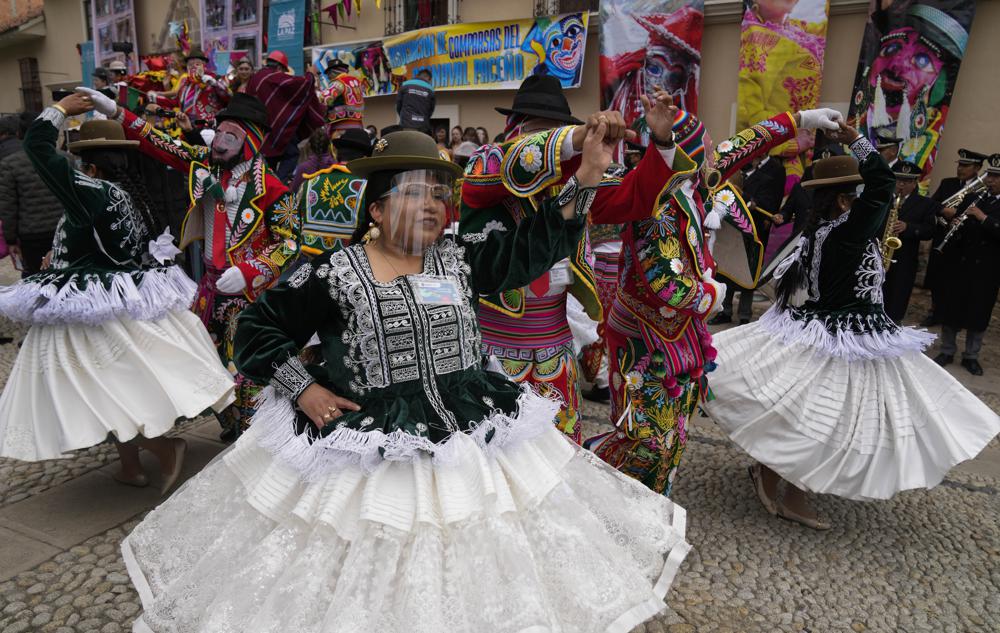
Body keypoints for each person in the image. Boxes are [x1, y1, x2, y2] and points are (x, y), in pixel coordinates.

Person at [120, 127, 692, 633]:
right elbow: (257, 329)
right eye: (415, 193)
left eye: (440, 196)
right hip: (374, 445)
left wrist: (588, 174)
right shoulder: (332, 272)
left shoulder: (460, 258)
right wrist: (306, 388)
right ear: (376, 209)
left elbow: (532, 249)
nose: (433, 207)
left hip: (472, 432)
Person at [701, 124, 1000, 528]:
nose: (865, 201)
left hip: (840, 333)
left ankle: (772, 473)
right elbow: (883, 183)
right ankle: (789, 485)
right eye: (856, 195)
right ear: (845, 198)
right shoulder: (846, 231)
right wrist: (856, 140)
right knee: (825, 420)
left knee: (803, 413)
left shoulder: (819, 233)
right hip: (845, 337)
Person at [585, 101, 843, 498]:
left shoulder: (692, 181)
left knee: (673, 435)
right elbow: (665, 281)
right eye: (705, 148)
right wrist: (712, 294)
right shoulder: (658, 203)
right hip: (644, 340)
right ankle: (595, 475)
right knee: (647, 437)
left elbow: (741, 146)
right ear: (687, 156)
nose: (714, 154)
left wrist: (798, 121)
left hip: (680, 336)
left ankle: (653, 505)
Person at [0, 95, 234, 492]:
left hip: (91, 310)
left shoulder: (88, 190)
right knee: (116, 384)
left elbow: (36, 146)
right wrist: (62, 259)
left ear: (87, 162)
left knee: (95, 389)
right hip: (118, 300)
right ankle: (131, 466)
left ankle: (163, 449)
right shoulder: (128, 195)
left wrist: (58, 111)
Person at [80, 87, 302, 438]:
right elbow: (160, 143)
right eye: (220, 130)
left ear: (252, 140)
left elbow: (290, 242)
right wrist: (117, 111)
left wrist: (249, 271)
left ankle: (252, 432)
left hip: (246, 294)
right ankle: (230, 422)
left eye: (231, 134)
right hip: (209, 286)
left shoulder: (272, 188)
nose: (218, 141)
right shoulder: (207, 163)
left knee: (243, 362)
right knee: (202, 358)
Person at [933, 153, 1000, 376]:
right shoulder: (975, 197)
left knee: (978, 313)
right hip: (961, 263)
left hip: (987, 268)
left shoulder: (982, 207)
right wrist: (955, 224)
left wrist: (983, 219)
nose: (990, 180)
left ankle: (971, 356)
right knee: (952, 308)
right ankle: (947, 350)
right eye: (990, 175)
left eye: (995, 177)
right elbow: (956, 221)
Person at [710, 154, 786, 325]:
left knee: (749, 270)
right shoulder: (738, 172)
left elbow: (770, 202)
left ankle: (745, 314)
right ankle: (725, 310)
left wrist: (748, 199)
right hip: (732, 230)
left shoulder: (772, 173)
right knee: (727, 270)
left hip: (755, 229)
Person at [922, 148, 987, 326]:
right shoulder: (947, 183)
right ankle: (934, 311)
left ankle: (949, 313)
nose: (960, 169)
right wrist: (943, 210)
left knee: (955, 279)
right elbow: (932, 204)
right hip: (943, 234)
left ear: (977, 168)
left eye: (966, 166)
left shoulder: (983, 188)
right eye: (960, 165)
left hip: (964, 241)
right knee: (937, 275)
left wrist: (957, 213)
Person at [246, 50, 326, 183]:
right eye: (283, 71)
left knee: (268, 162)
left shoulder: (255, 78)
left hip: (259, 130)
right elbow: (299, 84)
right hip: (277, 129)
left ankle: (267, 186)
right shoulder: (272, 77)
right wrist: (310, 75)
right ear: (279, 67)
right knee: (291, 154)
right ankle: (279, 184)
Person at [0, 115, 65, 276]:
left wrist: (10, 240)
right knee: (64, 275)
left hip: (31, 234)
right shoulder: (66, 158)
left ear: (20, 135)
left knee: (36, 277)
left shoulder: (9, 164)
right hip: (64, 229)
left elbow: (8, 207)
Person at [295, 127, 372, 256]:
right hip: (349, 261)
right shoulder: (367, 187)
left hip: (308, 259)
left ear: (337, 153)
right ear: (364, 157)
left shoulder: (310, 183)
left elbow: (294, 221)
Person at [881, 160, 939, 323]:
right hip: (879, 256)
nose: (901, 185)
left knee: (897, 300)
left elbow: (929, 231)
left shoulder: (925, 204)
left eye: (906, 182)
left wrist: (909, 227)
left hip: (904, 261)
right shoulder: (883, 199)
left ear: (914, 183)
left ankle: (892, 328)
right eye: (898, 180)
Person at [148, 49, 230, 126]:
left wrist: (215, 83)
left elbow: (228, 97)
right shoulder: (186, 84)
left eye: (197, 64)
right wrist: (156, 97)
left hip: (209, 126)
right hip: (188, 126)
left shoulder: (215, 79)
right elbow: (176, 102)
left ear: (204, 65)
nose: (193, 66)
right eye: (190, 64)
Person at [319, 58, 365, 134]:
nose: (328, 77)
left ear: (332, 72)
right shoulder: (357, 81)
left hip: (341, 127)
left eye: (328, 74)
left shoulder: (338, 83)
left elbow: (324, 99)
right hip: (358, 124)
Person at [395, 68, 435, 133]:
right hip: (422, 126)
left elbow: (398, 105)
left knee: (408, 142)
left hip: (406, 124)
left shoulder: (405, 84)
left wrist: (405, 117)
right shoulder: (430, 89)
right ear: (429, 78)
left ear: (418, 76)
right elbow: (431, 110)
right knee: (420, 142)